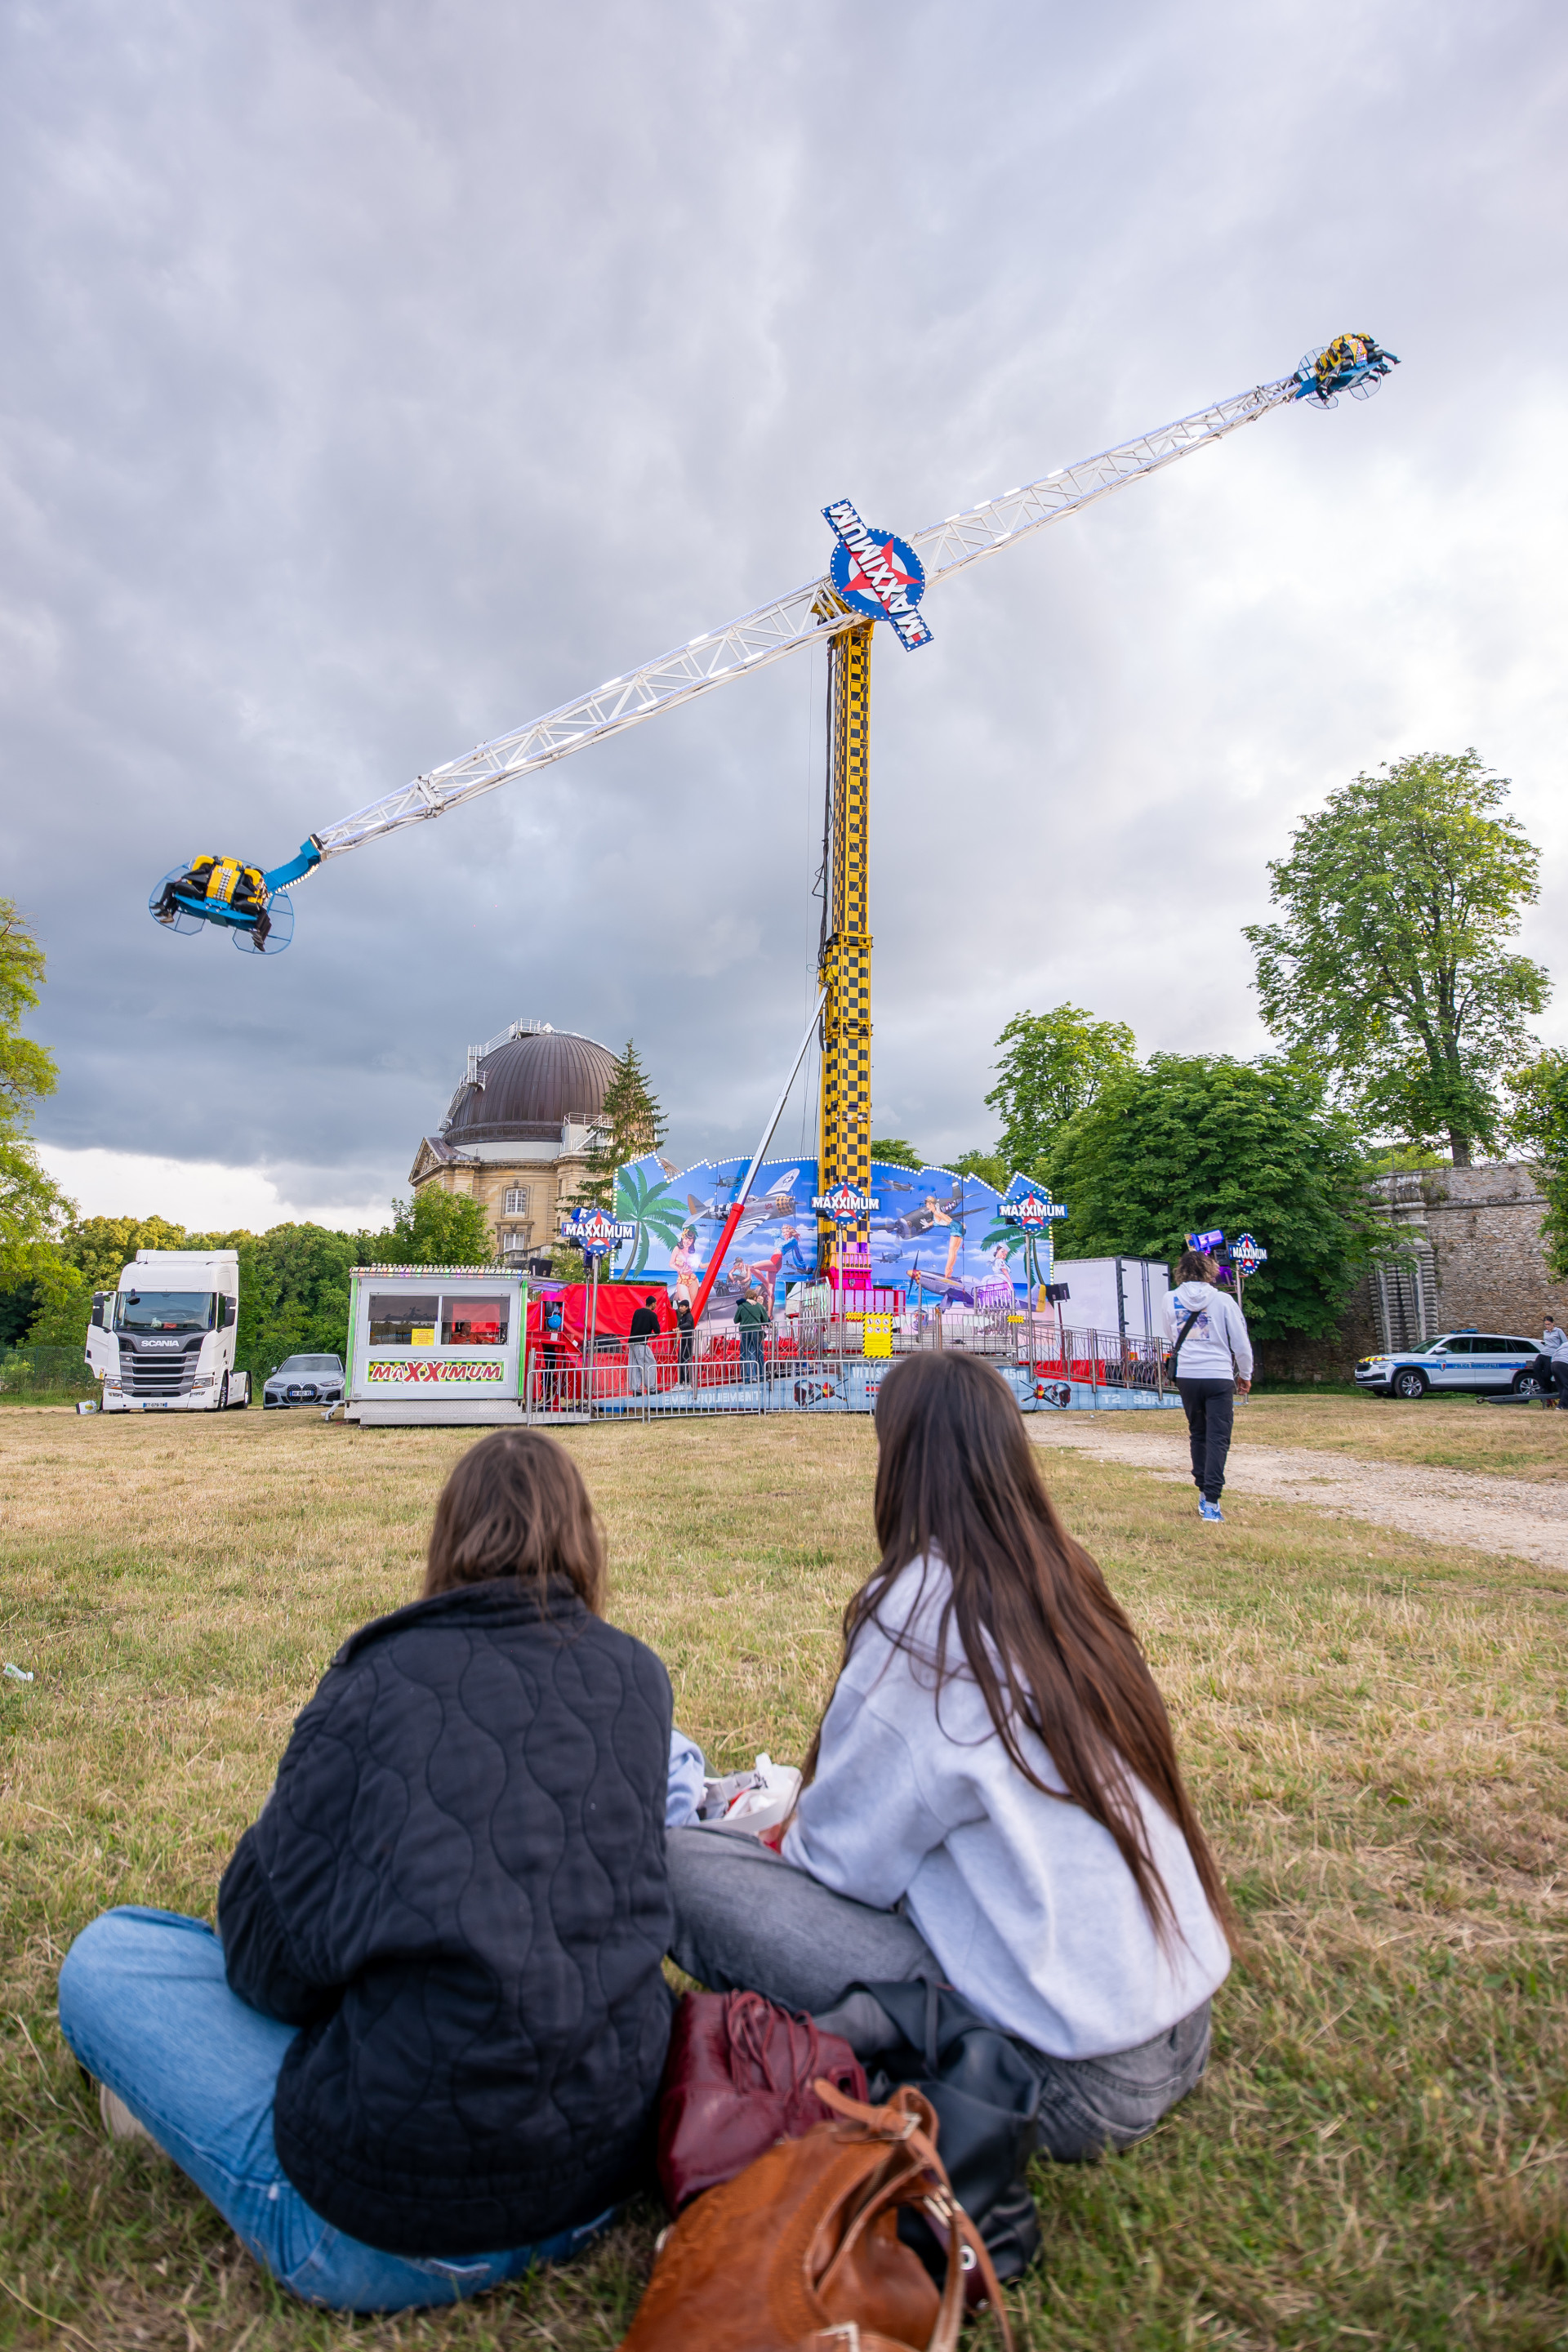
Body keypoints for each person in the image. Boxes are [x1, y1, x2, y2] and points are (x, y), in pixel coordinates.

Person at [57, 1431, 676, 2314]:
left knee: (110, 1955)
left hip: (388, 2226)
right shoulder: (640, 1679)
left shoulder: (377, 1677)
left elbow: (266, 1964)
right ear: (584, 1541)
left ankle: (175, 2109)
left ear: (446, 1539)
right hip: (599, 2185)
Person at [665, 1352, 1234, 2162]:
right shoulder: (1066, 1583)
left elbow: (839, 1864)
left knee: (677, 1864)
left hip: (1067, 2075)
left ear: (900, 1461)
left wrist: (764, 1834)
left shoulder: (926, 1610)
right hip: (1179, 2022)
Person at [1165, 1249, 1253, 1522]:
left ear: (1181, 1271)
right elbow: (1240, 1342)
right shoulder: (1223, 1300)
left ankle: (1204, 1491)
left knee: (1198, 1434)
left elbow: (1169, 1333)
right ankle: (1212, 1501)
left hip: (1187, 1375)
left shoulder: (1170, 1298)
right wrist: (1245, 1373)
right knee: (1218, 1438)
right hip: (1217, 1375)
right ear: (1210, 1271)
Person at [733, 1285, 768, 1381]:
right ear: (755, 1297)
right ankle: (761, 1376)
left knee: (744, 1354)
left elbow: (736, 1320)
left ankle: (746, 1378)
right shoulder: (759, 1306)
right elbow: (765, 1320)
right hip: (756, 1332)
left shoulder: (742, 1306)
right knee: (759, 1354)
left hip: (745, 1332)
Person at [627, 1293, 660, 1396]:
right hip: (641, 1343)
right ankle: (651, 1388)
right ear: (653, 1304)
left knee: (634, 1366)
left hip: (632, 1342)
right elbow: (657, 1330)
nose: (656, 1306)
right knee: (649, 1364)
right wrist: (652, 1334)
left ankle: (636, 1390)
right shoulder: (652, 1315)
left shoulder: (637, 1312)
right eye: (655, 1304)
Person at [675, 1295, 696, 1385]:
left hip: (688, 1342)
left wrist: (679, 1327)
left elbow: (688, 1324)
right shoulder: (682, 1317)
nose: (680, 1308)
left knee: (685, 1361)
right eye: (680, 1306)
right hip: (683, 1341)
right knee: (680, 1361)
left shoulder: (689, 1316)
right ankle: (681, 1381)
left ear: (687, 1307)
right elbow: (678, 1328)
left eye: (682, 1306)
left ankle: (687, 1382)